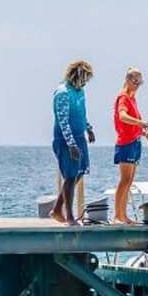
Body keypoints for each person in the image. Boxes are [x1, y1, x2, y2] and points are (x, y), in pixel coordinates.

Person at [110, 67, 148, 225]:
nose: (137, 85)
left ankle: (123, 215)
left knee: (129, 180)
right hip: (126, 143)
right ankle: (117, 215)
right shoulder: (123, 98)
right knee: (124, 179)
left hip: (135, 142)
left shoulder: (132, 99)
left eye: (140, 82)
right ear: (128, 80)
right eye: (135, 81)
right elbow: (123, 116)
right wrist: (142, 123)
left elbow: (132, 124)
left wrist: (144, 133)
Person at [51, 60, 95, 225]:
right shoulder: (62, 92)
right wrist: (71, 144)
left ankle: (56, 209)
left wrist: (89, 128)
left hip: (79, 137)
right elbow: (62, 121)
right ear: (77, 76)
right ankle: (68, 216)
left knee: (79, 173)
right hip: (65, 140)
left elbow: (82, 113)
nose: (85, 82)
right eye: (84, 78)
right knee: (70, 176)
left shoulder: (80, 91)